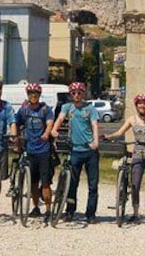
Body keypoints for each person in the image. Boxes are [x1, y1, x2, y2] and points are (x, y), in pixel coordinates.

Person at [102, 93, 145, 222]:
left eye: (144, 103)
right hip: (138, 154)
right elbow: (120, 132)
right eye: (140, 103)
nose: (142, 106)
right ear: (136, 105)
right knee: (135, 184)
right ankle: (136, 212)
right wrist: (108, 136)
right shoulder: (132, 119)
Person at [51, 81, 99, 224]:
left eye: (79, 93)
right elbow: (59, 119)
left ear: (83, 94)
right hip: (75, 149)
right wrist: (54, 130)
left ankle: (90, 213)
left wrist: (96, 141)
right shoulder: (67, 107)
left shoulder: (90, 108)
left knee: (93, 184)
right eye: (73, 93)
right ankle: (70, 211)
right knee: (72, 183)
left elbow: (94, 125)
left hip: (89, 150)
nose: (76, 95)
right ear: (70, 94)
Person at [15, 82, 54, 222]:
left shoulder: (45, 109)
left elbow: (50, 123)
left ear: (39, 95)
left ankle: (49, 210)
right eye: (31, 94)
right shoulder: (24, 110)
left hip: (43, 150)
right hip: (29, 149)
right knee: (32, 182)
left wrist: (46, 133)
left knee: (45, 183)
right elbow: (16, 123)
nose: (33, 96)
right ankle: (35, 207)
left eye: (36, 94)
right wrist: (15, 137)